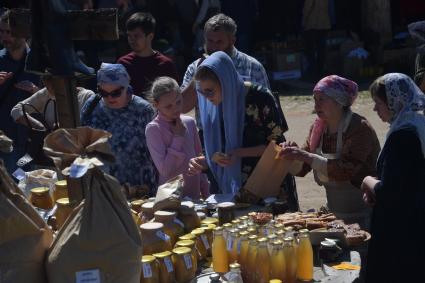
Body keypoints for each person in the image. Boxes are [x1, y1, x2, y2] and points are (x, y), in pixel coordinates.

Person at [188, 51, 299, 211]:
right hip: (230, 192)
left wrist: (238, 153)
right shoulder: (213, 106)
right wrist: (205, 160)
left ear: (225, 81)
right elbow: (216, 148)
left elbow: (278, 146)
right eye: (201, 91)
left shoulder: (260, 97)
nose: (206, 97)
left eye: (210, 91)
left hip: (265, 183)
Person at [279, 75, 381, 229]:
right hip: (334, 216)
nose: (316, 105)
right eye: (315, 99)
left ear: (339, 102)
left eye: (322, 99)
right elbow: (302, 169)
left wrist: (305, 155)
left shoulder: (359, 128)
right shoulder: (317, 129)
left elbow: (346, 170)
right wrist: (290, 155)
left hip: (366, 214)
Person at [362, 73, 425, 283]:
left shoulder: (403, 137)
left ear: (394, 103)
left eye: (378, 103)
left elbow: (390, 192)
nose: (374, 109)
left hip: (400, 233)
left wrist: (368, 181)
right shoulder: (417, 124)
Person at [80, 63, 157, 195]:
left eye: (116, 93)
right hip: (103, 187)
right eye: (103, 92)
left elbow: (157, 149)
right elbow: (82, 140)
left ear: (126, 87)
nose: (109, 97)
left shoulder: (143, 110)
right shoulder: (92, 105)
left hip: (138, 188)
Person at [181, 13, 271, 114]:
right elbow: (182, 107)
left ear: (232, 41)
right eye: (210, 41)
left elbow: (269, 107)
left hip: (245, 129)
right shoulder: (194, 68)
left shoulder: (253, 66)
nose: (214, 47)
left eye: (219, 42)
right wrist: (198, 76)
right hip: (207, 130)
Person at [145, 76, 209, 200]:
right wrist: (178, 137)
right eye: (168, 106)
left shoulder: (189, 122)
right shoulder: (153, 129)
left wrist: (206, 193)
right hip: (170, 200)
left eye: (178, 102)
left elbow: (199, 161)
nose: (176, 109)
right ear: (156, 104)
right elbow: (165, 170)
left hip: (195, 198)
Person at [0, 10, 40, 174]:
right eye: (1, 31)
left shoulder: (39, 61)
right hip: (3, 140)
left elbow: (54, 99)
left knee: (26, 188)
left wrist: (36, 91)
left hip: (30, 140)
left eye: (9, 32)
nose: (4, 36)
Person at [117, 12, 179, 98]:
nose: (131, 40)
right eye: (129, 36)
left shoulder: (165, 65)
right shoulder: (123, 64)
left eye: (136, 36)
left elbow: (175, 98)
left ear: (150, 36)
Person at [11, 75, 94, 130]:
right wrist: (40, 127)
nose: (50, 90)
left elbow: (90, 127)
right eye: (47, 86)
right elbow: (17, 110)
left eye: (55, 86)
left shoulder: (87, 96)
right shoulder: (45, 93)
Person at [302, 0, 331, 79]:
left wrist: (303, 22)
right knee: (321, 49)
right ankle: (320, 71)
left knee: (310, 50)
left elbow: (307, 8)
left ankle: (313, 72)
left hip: (312, 24)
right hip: (324, 24)